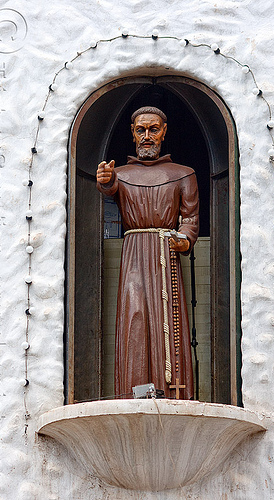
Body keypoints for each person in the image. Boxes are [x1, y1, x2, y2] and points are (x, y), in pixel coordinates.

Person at [97, 106, 199, 399]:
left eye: (153, 130)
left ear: (164, 132)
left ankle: (173, 392)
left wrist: (184, 239)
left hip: (166, 255)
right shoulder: (121, 174)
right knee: (135, 318)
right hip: (134, 253)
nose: (146, 136)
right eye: (140, 130)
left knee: (169, 319)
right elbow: (110, 187)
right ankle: (133, 393)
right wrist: (106, 181)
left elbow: (190, 219)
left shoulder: (183, 174)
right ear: (132, 134)